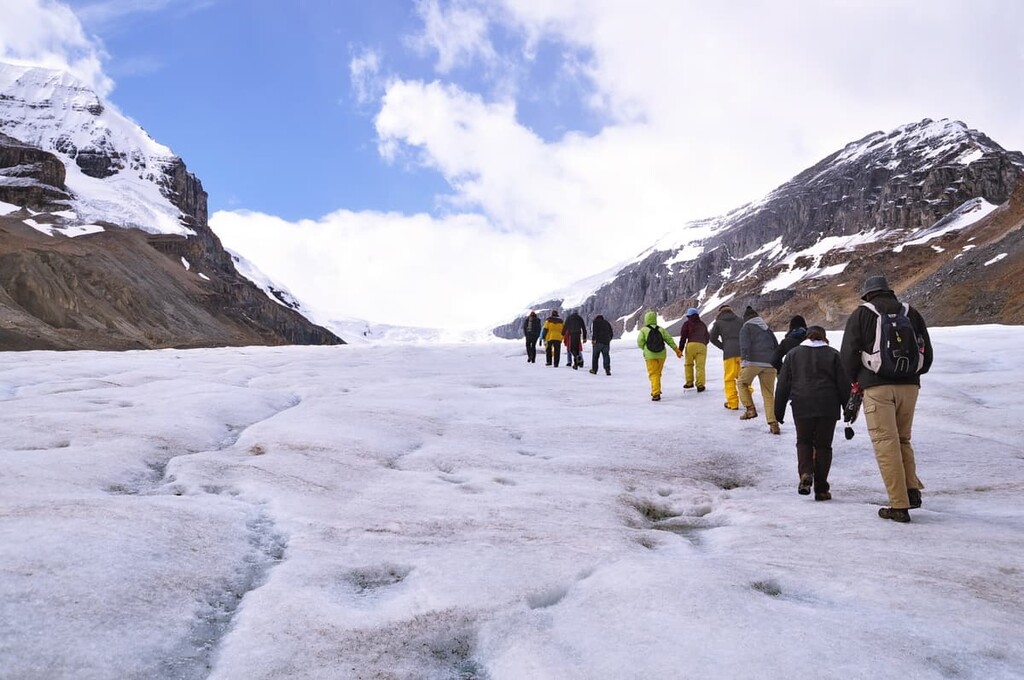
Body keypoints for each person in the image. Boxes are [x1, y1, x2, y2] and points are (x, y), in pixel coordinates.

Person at [840, 275, 933, 523]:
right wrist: (910, 375)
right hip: (910, 387)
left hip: (876, 387)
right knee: (903, 439)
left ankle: (898, 505)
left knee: (885, 443)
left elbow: (848, 354)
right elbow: (927, 355)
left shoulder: (862, 314)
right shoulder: (910, 313)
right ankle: (912, 492)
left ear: (868, 295)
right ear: (889, 292)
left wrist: (857, 381)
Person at [774, 326, 851, 501]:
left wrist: (778, 411)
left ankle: (806, 472)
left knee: (804, 441)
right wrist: (848, 409)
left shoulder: (793, 354)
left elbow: (783, 384)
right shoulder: (833, 354)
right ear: (824, 337)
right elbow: (843, 384)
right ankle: (822, 490)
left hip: (802, 405)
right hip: (828, 407)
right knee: (824, 446)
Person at [738, 306, 781, 434]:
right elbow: (776, 346)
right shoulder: (767, 329)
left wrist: (744, 360)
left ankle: (750, 409)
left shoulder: (746, 327)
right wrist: (777, 364)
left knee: (742, 383)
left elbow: (745, 345)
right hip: (770, 363)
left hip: (753, 362)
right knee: (768, 394)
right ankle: (774, 424)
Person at [709, 304, 749, 410]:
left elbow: (712, 338)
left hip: (729, 354)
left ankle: (733, 403)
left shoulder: (718, 323)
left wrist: (724, 347)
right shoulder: (741, 320)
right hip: (743, 354)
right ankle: (748, 401)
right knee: (744, 378)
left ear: (720, 312)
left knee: (729, 379)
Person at [636, 310, 682, 401]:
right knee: (658, 373)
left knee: (653, 374)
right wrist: (677, 350)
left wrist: (645, 349)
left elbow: (640, 342)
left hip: (650, 356)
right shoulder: (661, 329)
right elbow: (669, 340)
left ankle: (655, 393)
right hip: (662, 355)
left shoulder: (644, 330)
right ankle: (657, 389)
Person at [678, 307, 710, 392]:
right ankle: (700, 385)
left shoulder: (687, 324)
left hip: (691, 345)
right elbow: (707, 336)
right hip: (702, 346)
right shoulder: (702, 324)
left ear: (689, 316)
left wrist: (680, 349)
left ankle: (689, 383)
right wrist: (703, 343)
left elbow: (683, 337)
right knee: (700, 367)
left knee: (688, 365)